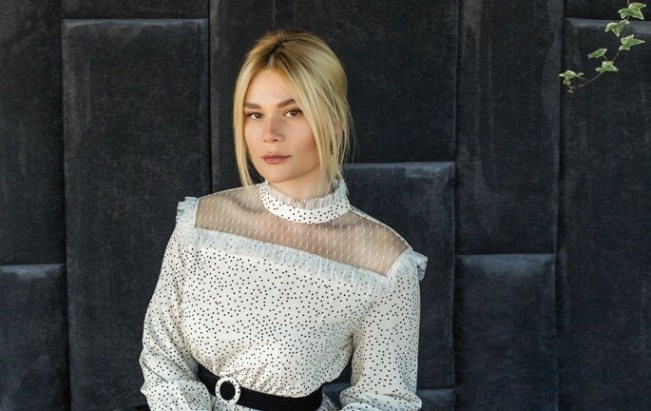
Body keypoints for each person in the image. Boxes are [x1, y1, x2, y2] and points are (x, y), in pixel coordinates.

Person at [139, 29, 426, 411]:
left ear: (334, 119)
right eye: (255, 114)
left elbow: (384, 399)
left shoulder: (384, 261)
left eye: (292, 112)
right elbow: (162, 358)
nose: (269, 134)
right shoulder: (201, 223)